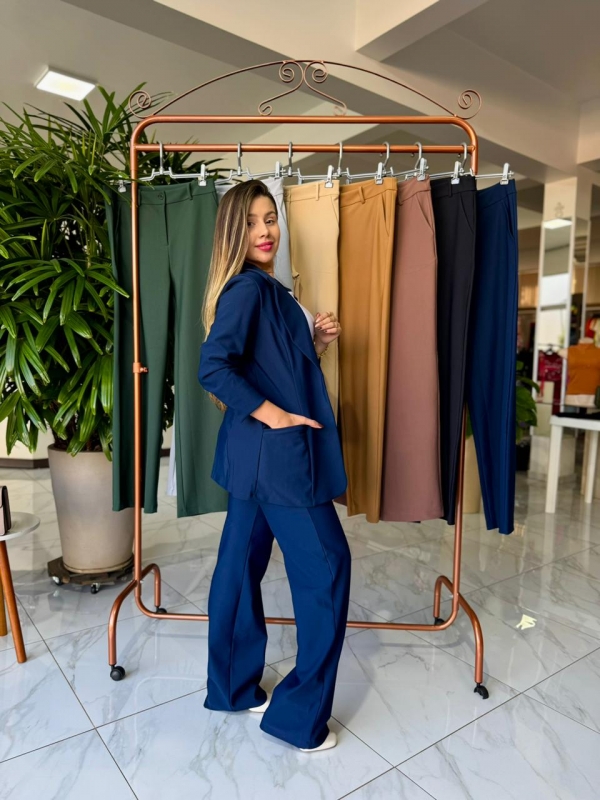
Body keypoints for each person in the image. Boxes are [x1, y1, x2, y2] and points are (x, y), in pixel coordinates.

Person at [198, 179, 351, 752]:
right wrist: (276, 415)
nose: (266, 231)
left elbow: (274, 365)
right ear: (232, 232)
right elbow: (214, 367)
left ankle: (233, 687)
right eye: (252, 222)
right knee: (328, 569)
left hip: (252, 457)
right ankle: (297, 719)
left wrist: (316, 342)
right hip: (280, 459)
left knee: (239, 566)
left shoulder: (264, 288)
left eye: (270, 219)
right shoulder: (248, 289)